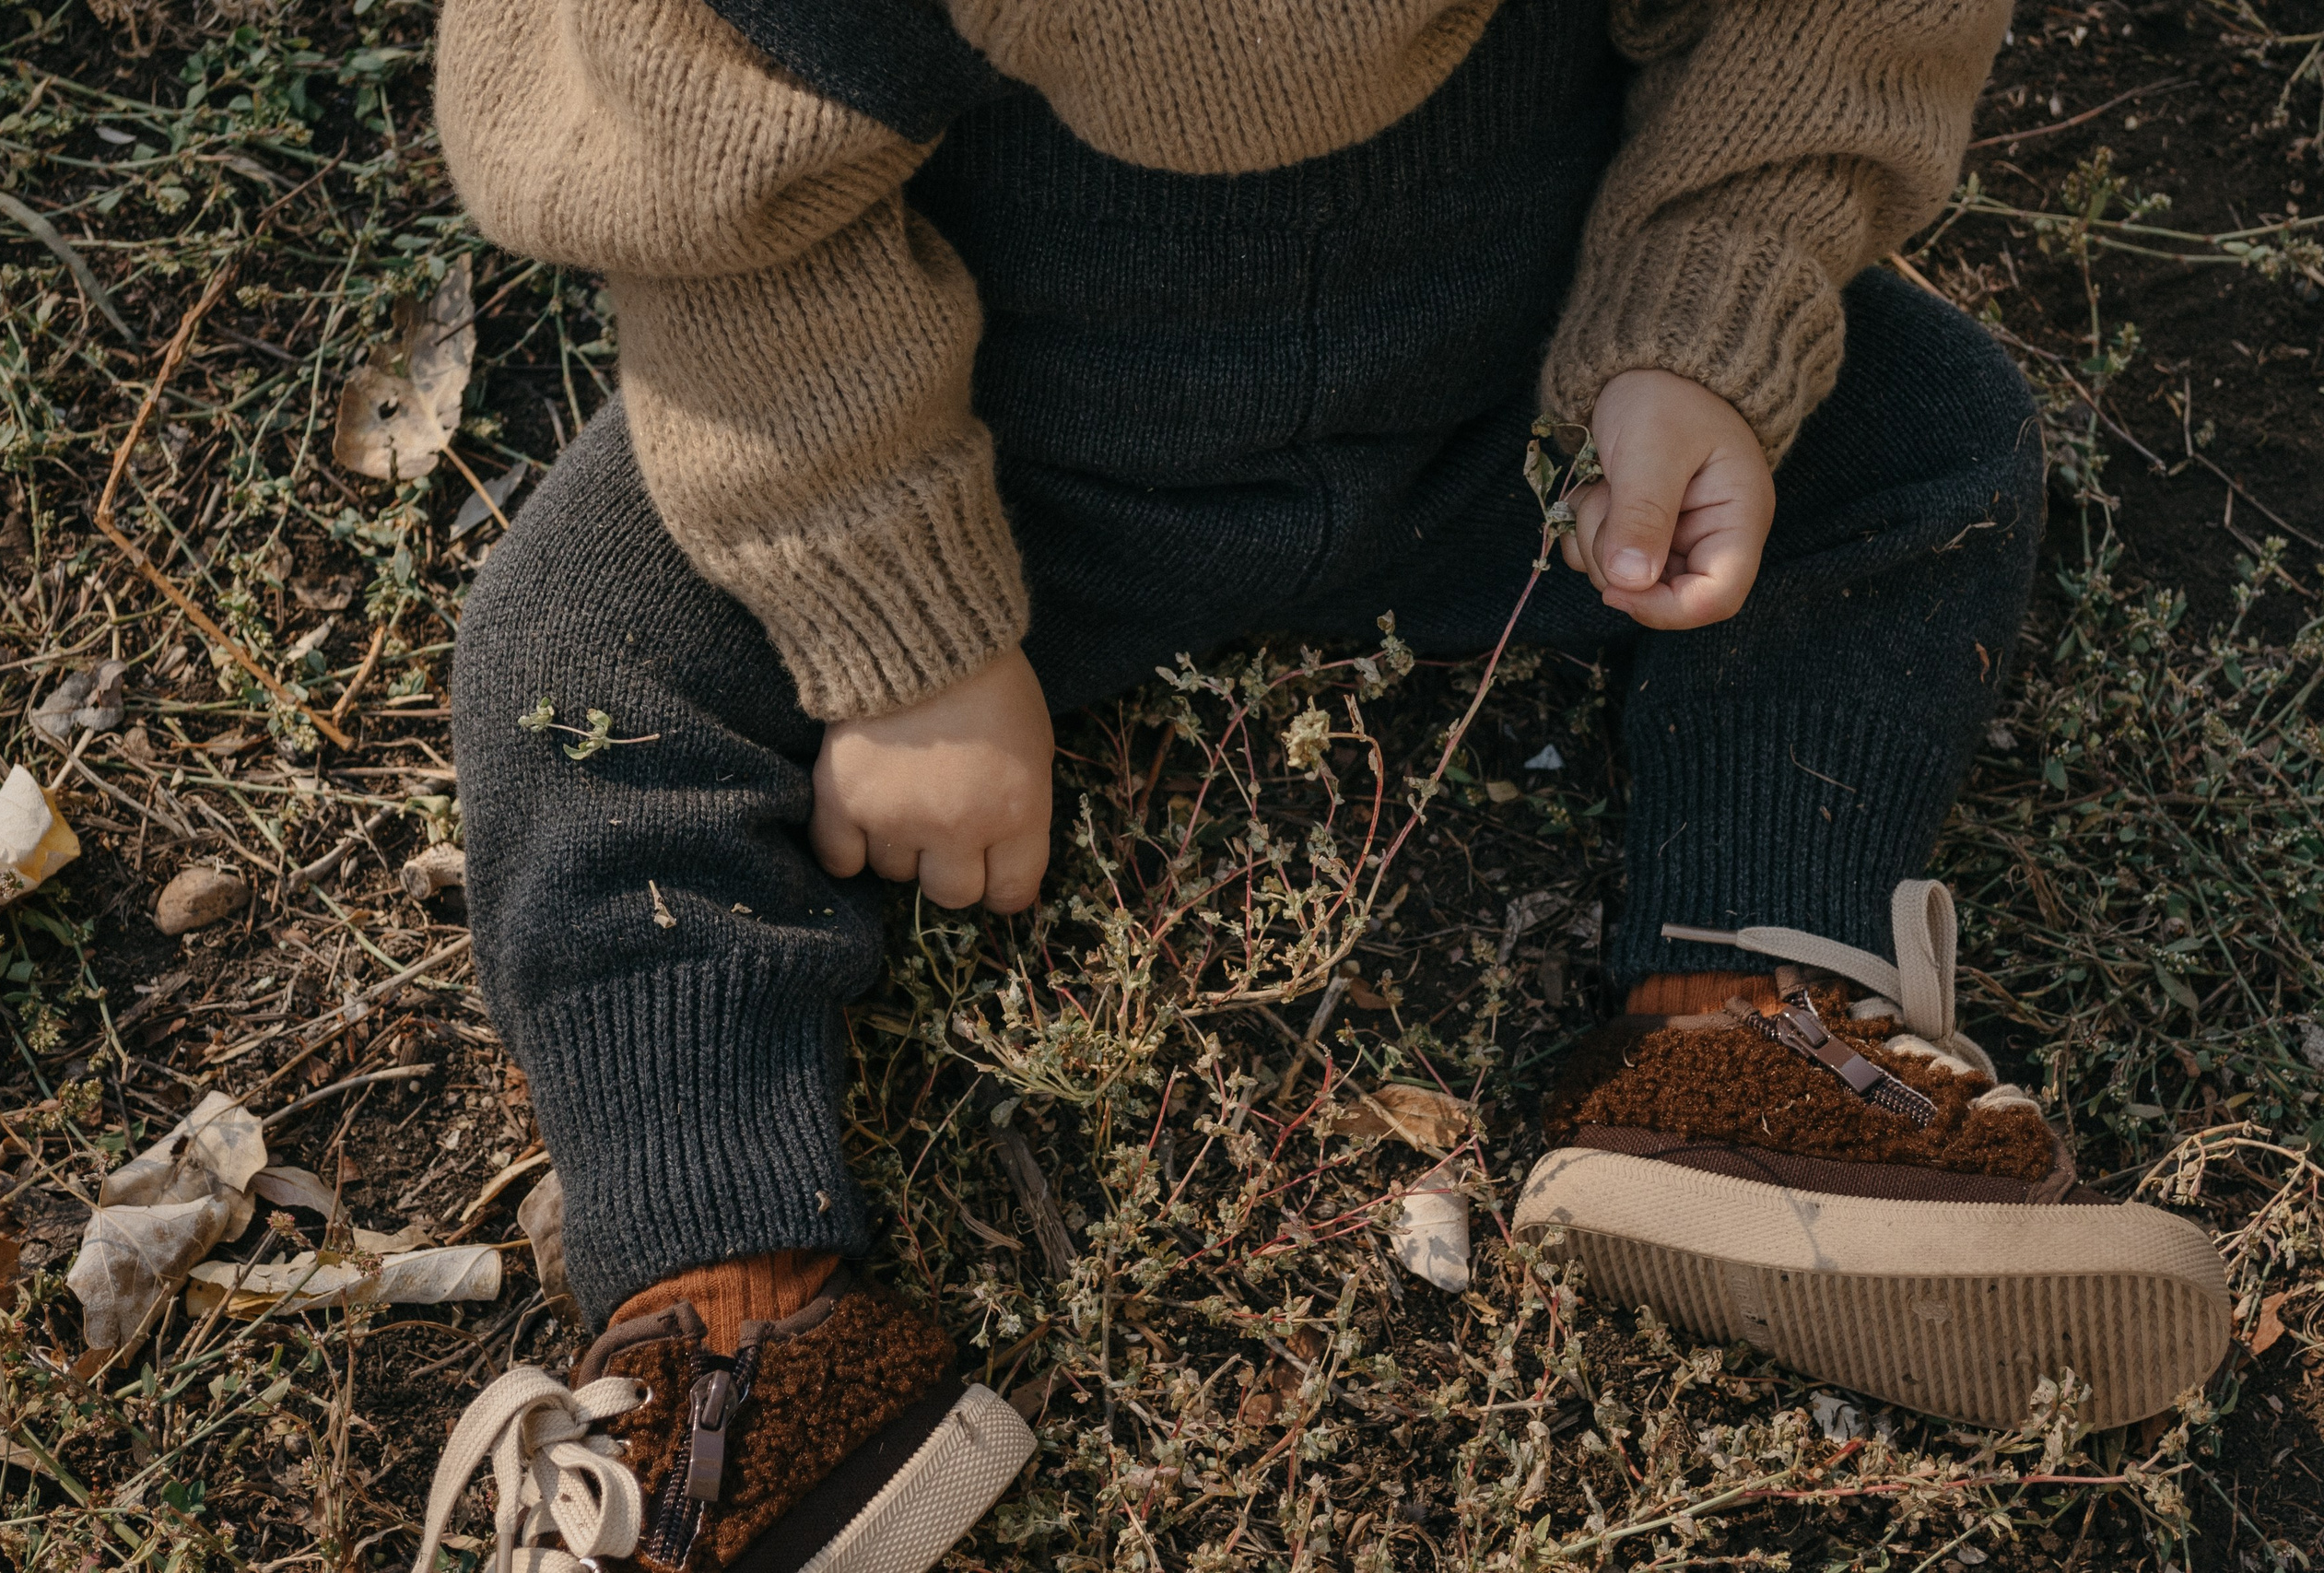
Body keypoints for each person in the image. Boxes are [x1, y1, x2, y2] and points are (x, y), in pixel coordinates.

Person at [402, 3, 2224, 1569]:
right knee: (583, 660)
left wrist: (1707, 316)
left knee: (1923, 433)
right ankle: (731, 1320)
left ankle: (1747, 1007)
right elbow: (709, 198)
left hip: (1525, 389)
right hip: (1001, 444)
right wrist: (897, 616)